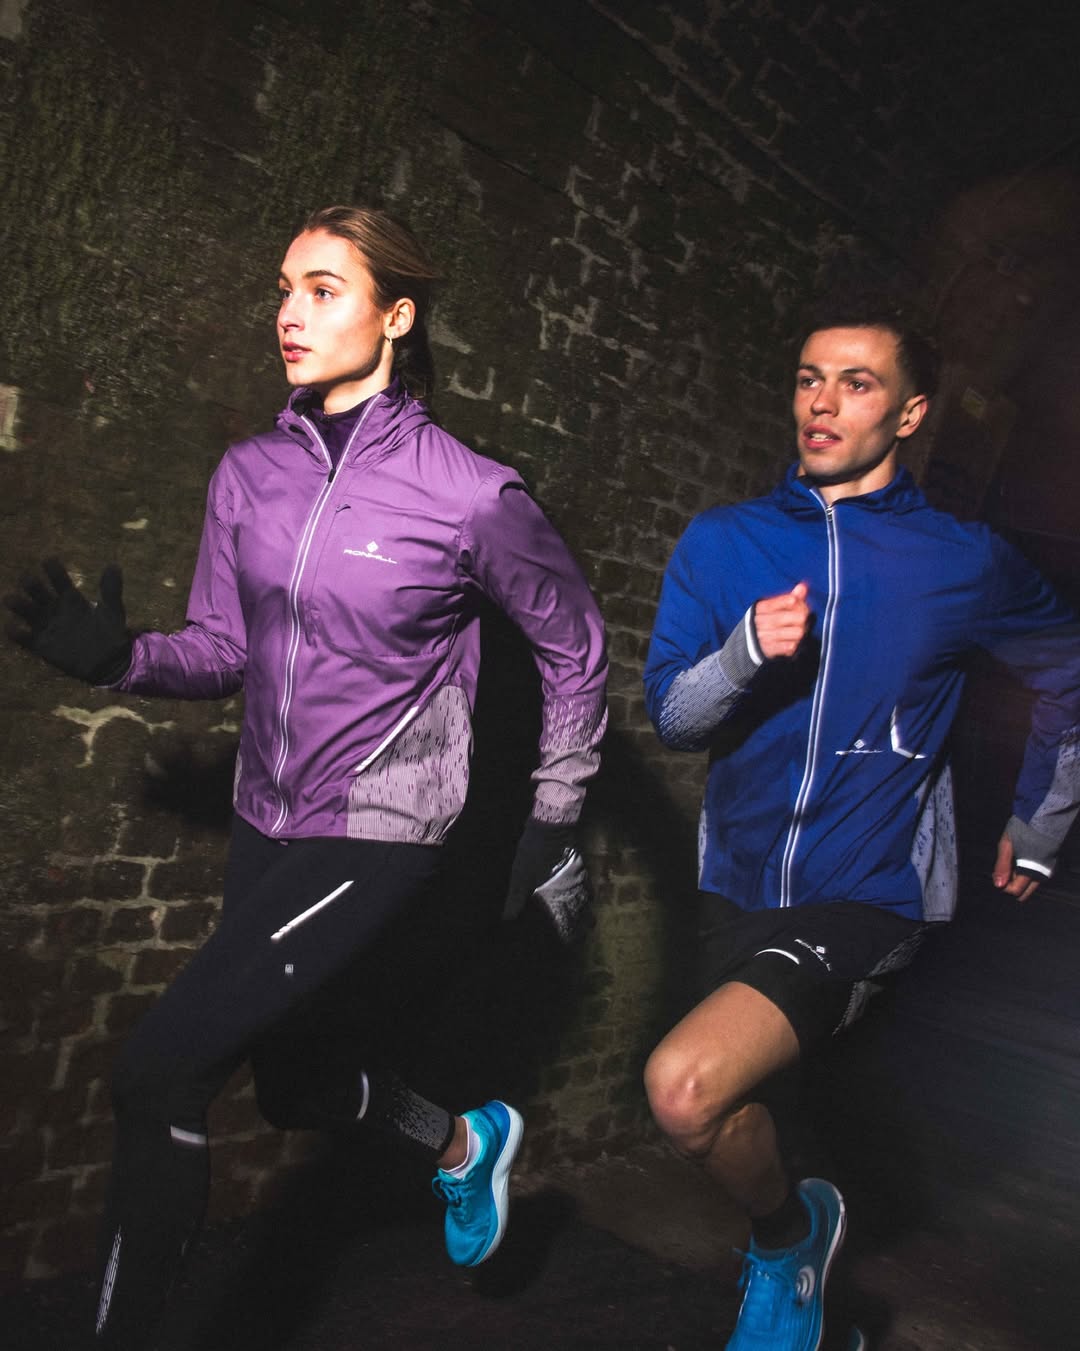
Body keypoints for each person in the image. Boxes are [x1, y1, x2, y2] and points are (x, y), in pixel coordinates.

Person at [6, 205, 607, 1349]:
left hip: (381, 820)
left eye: (325, 289)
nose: (290, 311)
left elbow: (574, 648)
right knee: (293, 1088)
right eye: (285, 287)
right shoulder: (250, 472)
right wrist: (122, 659)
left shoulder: (471, 493)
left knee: (159, 1072)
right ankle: (462, 1143)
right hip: (266, 815)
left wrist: (554, 812)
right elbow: (223, 649)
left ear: (398, 315)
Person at [641, 300, 1080, 1351]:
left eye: (857, 382)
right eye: (809, 378)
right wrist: (745, 651)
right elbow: (675, 717)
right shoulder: (726, 540)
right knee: (734, 1114)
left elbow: (1069, 671)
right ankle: (801, 1248)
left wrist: (1041, 820)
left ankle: (788, 1241)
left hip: (871, 887)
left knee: (684, 1086)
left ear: (910, 413)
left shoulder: (962, 560)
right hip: (737, 882)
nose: (823, 402)